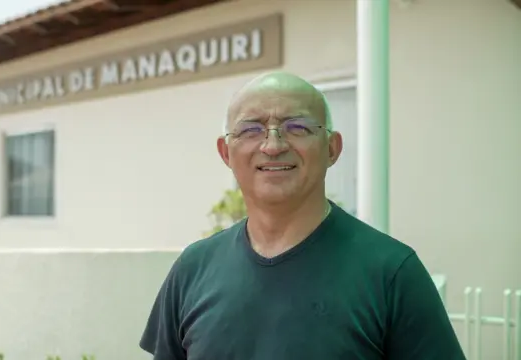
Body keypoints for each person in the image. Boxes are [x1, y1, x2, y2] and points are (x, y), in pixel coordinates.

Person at [139, 71, 465, 360]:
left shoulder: (392, 273)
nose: (272, 144)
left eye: (297, 127)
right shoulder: (193, 269)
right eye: (251, 130)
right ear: (226, 153)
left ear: (332, 149)